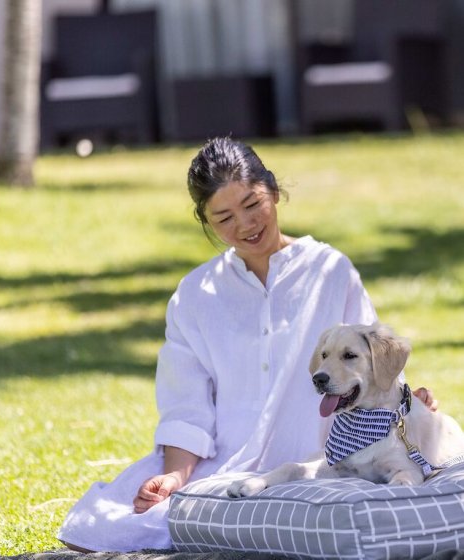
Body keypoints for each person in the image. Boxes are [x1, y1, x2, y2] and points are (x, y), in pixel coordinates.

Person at [59, 137, 437, 553]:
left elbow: (368, 360)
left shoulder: (331, 270)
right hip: (222, 465)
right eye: (223, 217)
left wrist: (407, 397)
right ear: (204, 221)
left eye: (253, 204)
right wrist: (174, 477)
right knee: (100, 527)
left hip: (321, 459)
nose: (244, 225)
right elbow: (187, 406)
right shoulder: (195, 294)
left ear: (274, 192)